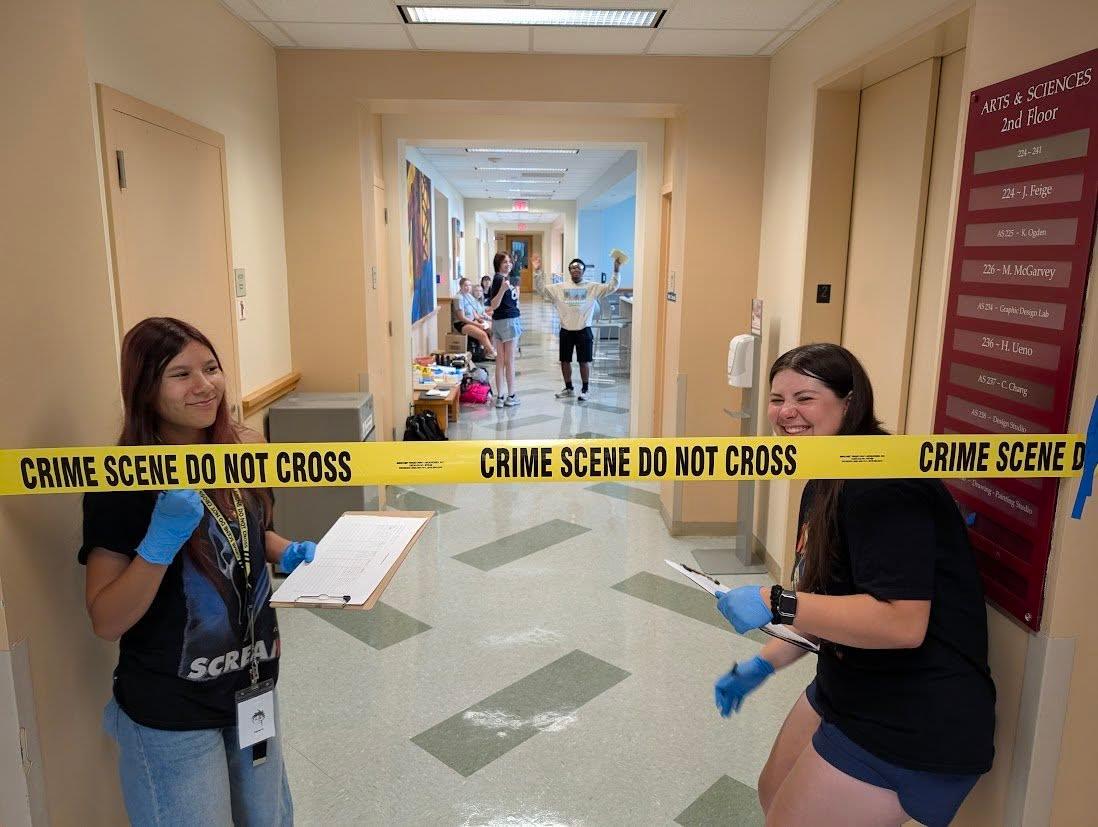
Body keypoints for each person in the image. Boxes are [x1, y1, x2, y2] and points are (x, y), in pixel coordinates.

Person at [712, 343, 995, 827]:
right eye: (777, 399)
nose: (786, 413)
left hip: (912, 713)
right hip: (849, 684)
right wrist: (763, 663)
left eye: (805, 398)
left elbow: (902, 623)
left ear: (849, 403)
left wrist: (773, 601)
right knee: (770, 792)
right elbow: (825, 604)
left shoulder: (884, 483)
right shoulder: (826, 477)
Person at [79, 317, 317, 825]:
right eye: (180, 374)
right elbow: (106, 619)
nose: (205, 385)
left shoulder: (242, 450)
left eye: (211, 368)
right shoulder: (121, 479)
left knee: (269, 819)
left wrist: (284, 551)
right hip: (171, 710)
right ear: (145, 389)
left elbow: (250, 533)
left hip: (252, 686)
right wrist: (160, 542)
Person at [535, 254, 621, 402]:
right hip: (566, 330)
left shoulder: (592, 287)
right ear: (569, 271)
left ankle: (585, 389)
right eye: (573, 268)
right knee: (565, 361)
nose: (575, 270)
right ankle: (568, 388)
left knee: (584, 361)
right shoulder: (560, 288)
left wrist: (616, 271)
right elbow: (542, 289)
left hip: (583, 330)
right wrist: (538, 272)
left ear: (583, 271)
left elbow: (611, 287)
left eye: (579, 268)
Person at [487, 252, 522, 408]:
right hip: (508, 322)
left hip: (500, 322)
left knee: (501, 361)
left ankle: (500, 397)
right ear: (498, 264)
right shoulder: (500, 280)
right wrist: (502, 289)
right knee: (509, 361)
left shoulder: (501, 279)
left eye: (509, 261)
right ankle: (511, 396)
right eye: (504, 262)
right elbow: (494, 304)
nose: (508, 264)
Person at [452, 277, 496, 360]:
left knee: (492, 330)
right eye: (465, 285)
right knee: (482, 334)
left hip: (472, 320)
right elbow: (462, 318)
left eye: (469, 285)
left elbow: (474, 312)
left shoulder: (469, 295)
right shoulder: (459, 297)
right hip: (462, 323)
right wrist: (477, 325)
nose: (468, 287)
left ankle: (487, 352)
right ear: (460, 286)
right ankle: (493, 353)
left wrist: (480, 320)